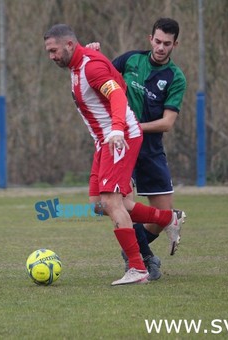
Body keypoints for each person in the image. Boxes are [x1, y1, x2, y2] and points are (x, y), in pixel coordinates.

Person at [43, 24, 185, 286]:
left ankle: (137, 268)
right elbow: (116, 77)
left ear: (69, 45)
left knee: (112, 202)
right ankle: (168, 218)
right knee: (100, 203)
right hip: (104, 141)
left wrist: (117, 129)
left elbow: (117, 95)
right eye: (48, 51)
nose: (51, 56)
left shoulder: (90, 67)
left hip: (119, 138)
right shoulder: (80, 64)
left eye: (54, 50)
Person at [87, 18, 187, 279]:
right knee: (112, 204)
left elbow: (167, 123)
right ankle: (143, 259)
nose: (161, 47)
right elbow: (102, 75)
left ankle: (145, 242)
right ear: (149, 38)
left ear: (175, 44)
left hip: (150, 150)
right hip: (121, 146)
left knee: (158, 217)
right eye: (157, 41)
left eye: (167, 43)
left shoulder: (175, 78)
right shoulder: (131, 60)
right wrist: (93, 55)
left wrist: (132, 127)